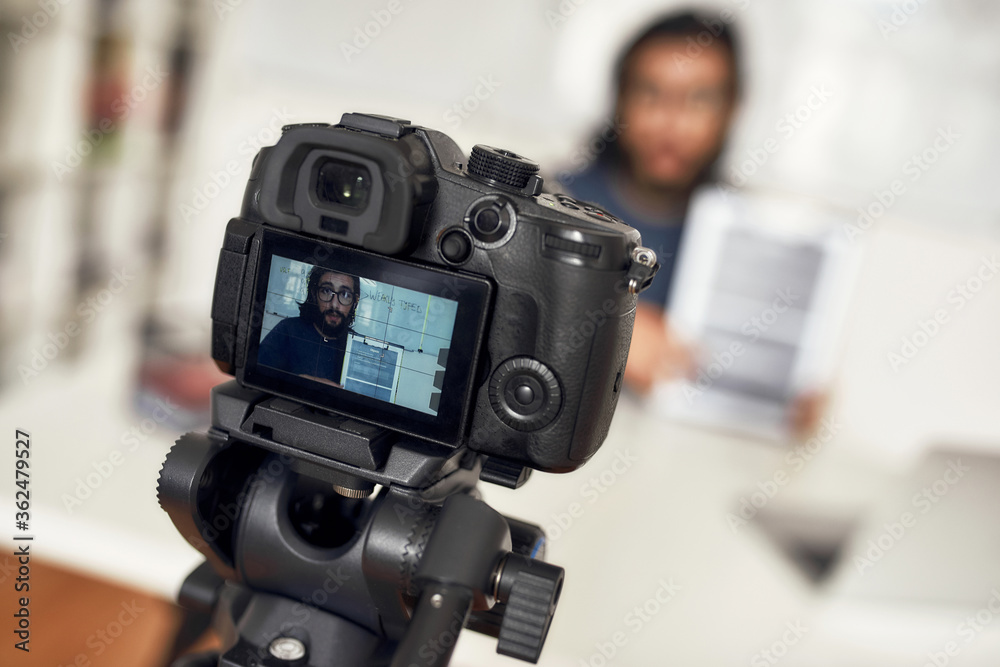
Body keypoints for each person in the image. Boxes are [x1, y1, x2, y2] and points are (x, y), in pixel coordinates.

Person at [561, 11, 826, 436]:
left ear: (732, 110)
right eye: (651, 93)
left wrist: (781, 402)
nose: (672, 123)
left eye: (699, 99)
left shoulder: (750, 241)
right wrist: (608, 335)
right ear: (620, 100)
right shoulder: (553, 203)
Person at [258, 265, 360, 387]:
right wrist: (298, 382)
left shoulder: (358, 347)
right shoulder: (287, 330)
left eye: (344, 294)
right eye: (326, 291)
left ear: (355, 301)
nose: (334, 305)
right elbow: (255, 378)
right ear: (314, 293)